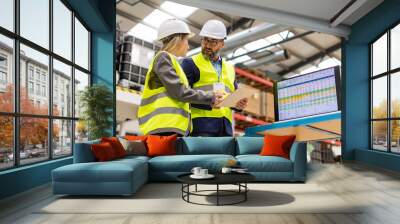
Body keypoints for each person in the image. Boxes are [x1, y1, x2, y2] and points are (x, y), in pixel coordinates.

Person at [138, 19, 224, 137]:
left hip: (170, 127)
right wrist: (210, 97)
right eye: (186, 40)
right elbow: (180, 92)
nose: (188, 46)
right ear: (178, 40)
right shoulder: (163, 58)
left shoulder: (172, 62)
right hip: (164, 127)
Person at [181, 19, 248, 137]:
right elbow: (182, 95)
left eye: (213, 42)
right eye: (205, 40)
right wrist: (209, 100)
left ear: (222, 44)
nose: (207, 45)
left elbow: (232, 98)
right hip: (200, 127)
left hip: (225, 128)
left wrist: (238, 104)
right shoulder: (190, 63)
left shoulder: (230, 68)